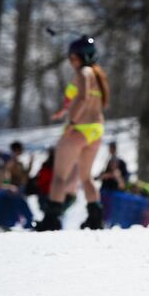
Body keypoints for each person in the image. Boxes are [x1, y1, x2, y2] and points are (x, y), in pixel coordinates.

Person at [35, 36, 109, 231]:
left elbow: (82, 97)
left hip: (80, 128)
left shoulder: (83, 72)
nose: (71, 61)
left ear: (80, 57)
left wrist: (72, 121)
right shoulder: (97, 75)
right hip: (96, 129)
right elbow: (82, 99)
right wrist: (64, 110)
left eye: (72, 57)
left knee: (59, 176)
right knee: (86, 177)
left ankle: (51, 220)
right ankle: (95, 218)